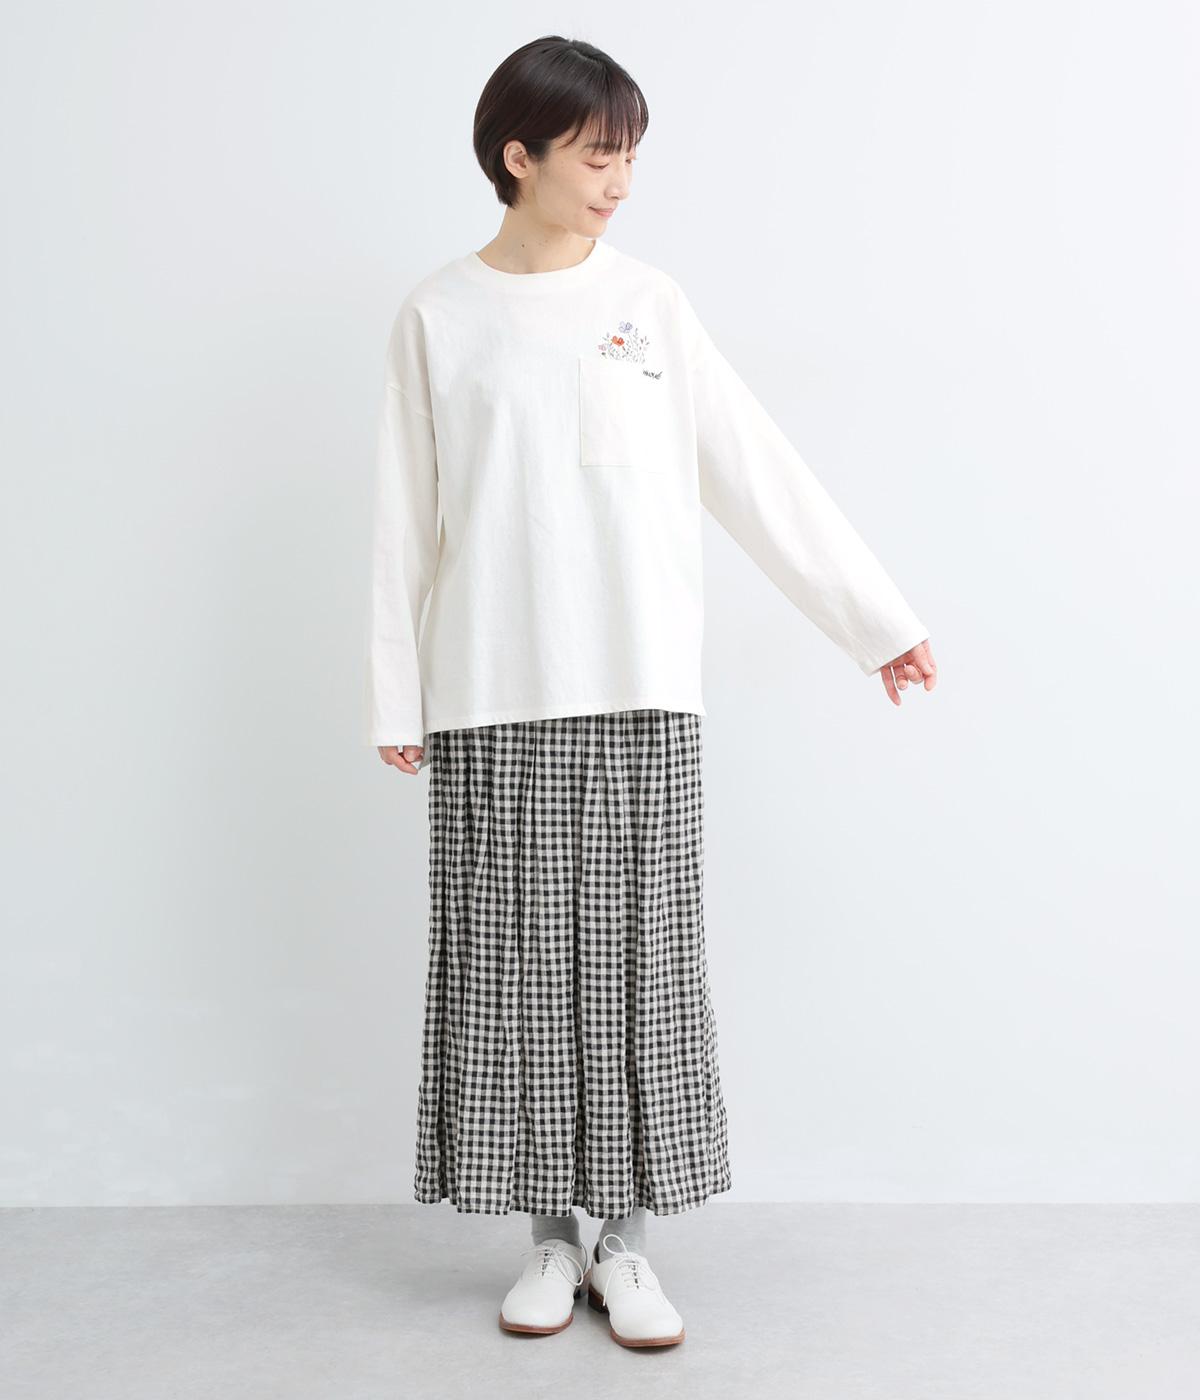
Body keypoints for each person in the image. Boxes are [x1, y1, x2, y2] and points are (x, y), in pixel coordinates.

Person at [365, 34, 937, 1350]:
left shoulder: (651, 306)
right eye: (596, 154)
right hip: (492, 687)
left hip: (638, 684)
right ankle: (546, 1240)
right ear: (520, 156)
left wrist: (875, 622)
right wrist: (397, 697)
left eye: (629, 154)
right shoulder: (438, 317)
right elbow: (404, 519)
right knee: (513, 971)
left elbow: (754, 468)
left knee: (638, 969)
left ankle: (624, 1242)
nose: (620, 179)